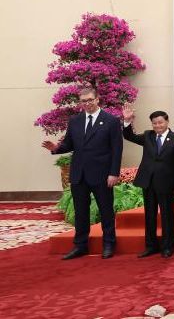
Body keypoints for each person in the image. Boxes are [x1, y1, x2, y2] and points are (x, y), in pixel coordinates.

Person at [43, 86, 123, 260]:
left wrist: (113, 173)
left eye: (90, 100)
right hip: (79, 173)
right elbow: (69, 144)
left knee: (106, 210)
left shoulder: (111, 121)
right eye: (83, 101)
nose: (87, 104)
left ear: (97, 99)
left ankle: (109, 244)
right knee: (80, 211)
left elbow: (117, 149)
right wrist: (57, 148)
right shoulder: (75, 121)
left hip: (102, 174)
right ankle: (80, 245)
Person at [121, 104, 174, 258]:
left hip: (166, 184)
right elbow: (129, 136)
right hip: (148, 182)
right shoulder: (148, 136)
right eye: (155, 123)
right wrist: (127, 121)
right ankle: (150, 246)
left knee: (167, 215)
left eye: (160, 122)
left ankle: (167, 247)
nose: (158, 126)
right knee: (149, 215)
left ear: (167, 122)